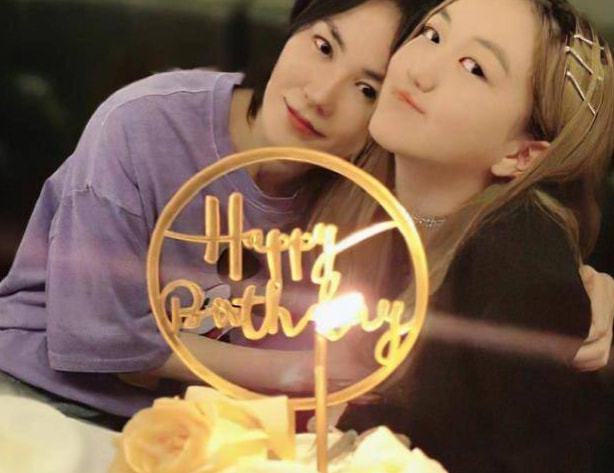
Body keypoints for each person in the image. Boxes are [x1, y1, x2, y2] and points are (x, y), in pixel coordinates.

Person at [0, 0, 611, 428]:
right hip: (40, 396)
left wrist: (585, 287)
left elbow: (495, 249)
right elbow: (98, 338)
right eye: (322, 46)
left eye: (367, 88)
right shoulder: (145, 124)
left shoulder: (363, 189)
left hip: (210, 433)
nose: (321, 95)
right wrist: (300, 372)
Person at [332, 0, 614, 471]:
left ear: (522, 155)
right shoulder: (357, 188)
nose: (420, 70)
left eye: (473, 68)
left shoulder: (519, 266)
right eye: (432, 35)